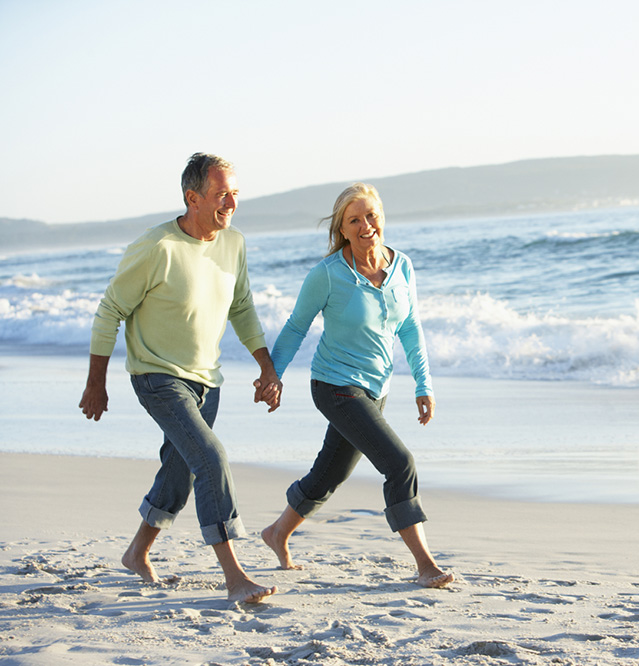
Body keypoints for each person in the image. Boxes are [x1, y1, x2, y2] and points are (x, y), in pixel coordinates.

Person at [79, 153, 281, 604]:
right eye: (221, 194)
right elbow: (110, 310)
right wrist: (97, 382)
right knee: (210, 458)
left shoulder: (234, 244)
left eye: (234, 193)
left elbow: (242, 307)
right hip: (157, 376)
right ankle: (235, 577)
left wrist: (266, 366)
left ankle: (137, 552)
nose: (230, 202)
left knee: (180, 467)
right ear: (192, 198)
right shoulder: (156, 248)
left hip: (206, 380)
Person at [260, 182, 453, 588]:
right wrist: (272, 374)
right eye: (354, 220)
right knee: (400, 464)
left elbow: (411, 327)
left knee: (329, 474)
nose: (366, 225)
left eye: (371, 216)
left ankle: (277, 533)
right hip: (334, 385)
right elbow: (296, 327)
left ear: (381, 217)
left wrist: (424, 384)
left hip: (376, 389)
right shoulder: (328, 275)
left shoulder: (402, 266)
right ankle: (424, 564)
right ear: (342, 229)